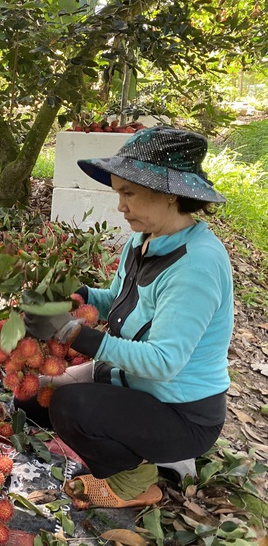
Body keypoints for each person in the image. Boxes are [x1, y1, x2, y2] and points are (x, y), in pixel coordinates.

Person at [22, 126, 233, 509]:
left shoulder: (197, 265)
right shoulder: (144, 239)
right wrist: (76, 298)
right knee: (34, 395)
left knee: (70, 408)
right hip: (129, 384)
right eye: (119, 192)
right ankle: (120, 436)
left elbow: (164, 362)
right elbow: (119, 298)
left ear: (170, 194)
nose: (120, 206)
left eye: (128, 193)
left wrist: (72, 334)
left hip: (180, 413)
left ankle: (137, 479)